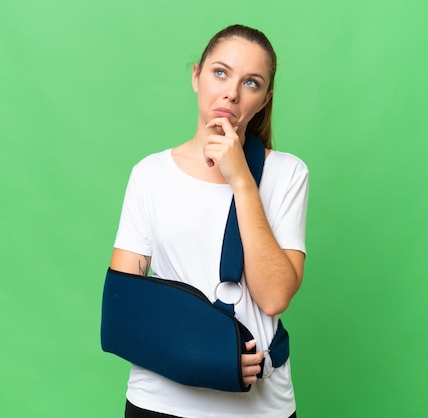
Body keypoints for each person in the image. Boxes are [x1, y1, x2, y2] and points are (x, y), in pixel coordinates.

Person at [109, 24, 309, 418]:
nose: (231, 92)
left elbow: (273, 297)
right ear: (197, 76)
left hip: (259, 408)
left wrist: (242, 182)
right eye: (220, 73)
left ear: (264, 98)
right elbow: (124, 310)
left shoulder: (287, 174)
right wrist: (205, 356)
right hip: (159, 402)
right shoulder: (150, 174)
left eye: (250, 82)